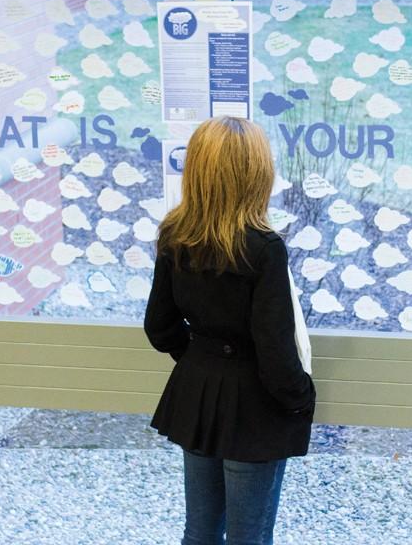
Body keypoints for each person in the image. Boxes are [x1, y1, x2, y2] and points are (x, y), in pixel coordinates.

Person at [144, 116, 316, 545]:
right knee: (249, 536)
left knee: (199, 532)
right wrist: (301, 398)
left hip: (197, 396)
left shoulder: (175, 233)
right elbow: (274, 347)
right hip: (255, 406)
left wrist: (201, 359)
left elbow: (159, 326)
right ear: (256, 174)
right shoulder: (264, 247)